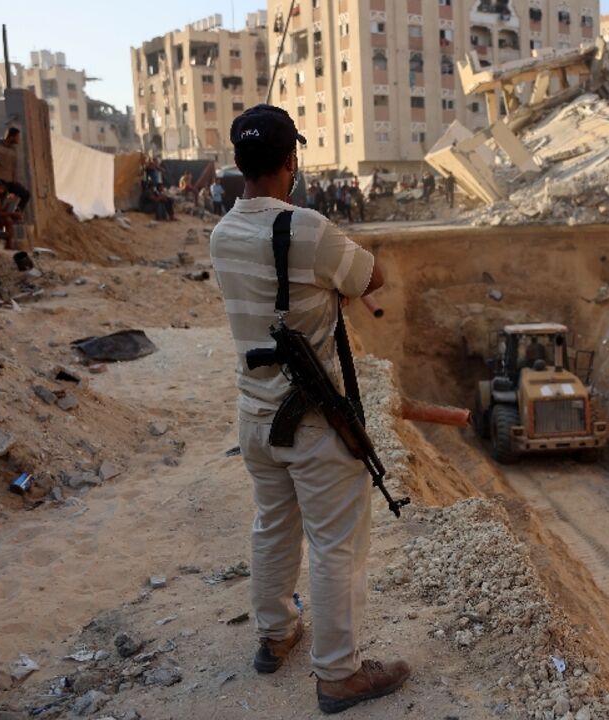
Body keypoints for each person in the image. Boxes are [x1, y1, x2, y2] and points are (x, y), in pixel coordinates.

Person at [209, 104, 409, 714]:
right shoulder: (309, 229)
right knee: (335, 545)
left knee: (273, 526)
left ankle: (275, 634)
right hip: (315, 424)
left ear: (240, 164)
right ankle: (339, 674)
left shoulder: (221, 235)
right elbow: (369, 279)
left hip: (256, 419)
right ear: (291, 161)